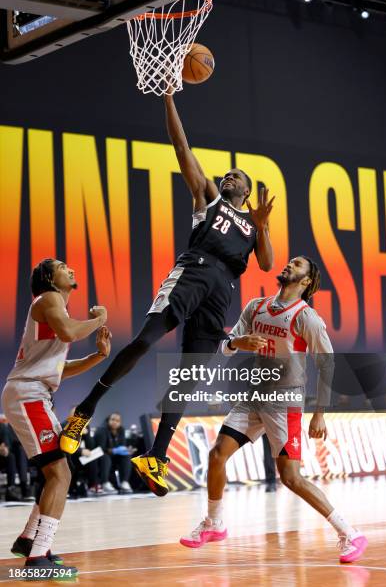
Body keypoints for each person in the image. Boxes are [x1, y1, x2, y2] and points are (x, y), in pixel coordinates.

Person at [61, 91, 275, 498]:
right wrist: (169, 100)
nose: (229, 178)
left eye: (237, 178)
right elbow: (182, 148)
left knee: (190, 375)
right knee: (143, 341)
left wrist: (263, 226)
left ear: (247, 192)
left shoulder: (252, 224)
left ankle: (156, 455)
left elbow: (265, 264)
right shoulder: (209, 198)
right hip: (192, 273)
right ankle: (84, 411)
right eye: (227, 174)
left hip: (221, 292)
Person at [179, 256, 368, 564]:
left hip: (285, 401)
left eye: (296, 265)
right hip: (255, 394)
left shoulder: (307, 318)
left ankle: (349, 533)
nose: (288, 266)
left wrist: (320, 412)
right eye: (290, 262)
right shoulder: (256, 306)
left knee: (290, 478)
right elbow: (226, 345)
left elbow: (327, 363)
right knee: (217, 455)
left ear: (306, 281)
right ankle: (214, 522)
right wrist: (237, 342)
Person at [1, 258, 111, 574]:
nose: (70, 269)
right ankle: (37, 558)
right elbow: (69, 332)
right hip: (28, 395)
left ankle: (29, 540)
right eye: (62, 266)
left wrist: (97, 356)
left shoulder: (53, 309)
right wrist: (100, 319)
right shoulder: (49, 299)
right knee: (61, 474)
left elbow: (59, 369)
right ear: (50, 278)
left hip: (33, 394)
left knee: (56, 473)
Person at [94, 412, 133, 493]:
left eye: (118, 421)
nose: (115, 422)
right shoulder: (102, 430)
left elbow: (122, 445)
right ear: (108, 420)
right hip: (100, 455)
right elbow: (101, 449)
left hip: (114, 455)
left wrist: (126, 450)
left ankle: (124, 482)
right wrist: (114, 450)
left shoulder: (121, 430)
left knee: (127, 456)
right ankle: (105, 483)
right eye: (113, 419)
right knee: (106, 457)